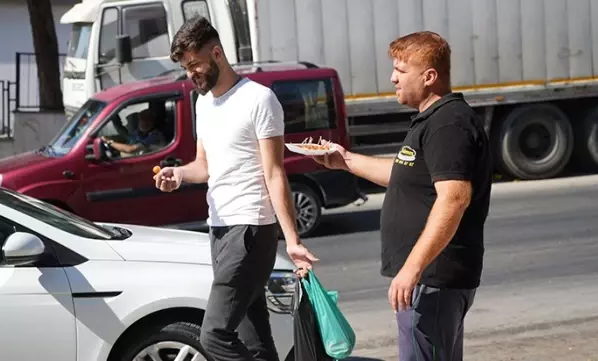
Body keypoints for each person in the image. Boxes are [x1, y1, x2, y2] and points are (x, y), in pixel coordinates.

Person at [313, 31, 493, 361]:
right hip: (428, 280)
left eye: (401, 70)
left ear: (429, 77)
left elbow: (454, 198)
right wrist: (344, 160)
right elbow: (402, 175)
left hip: (433, 279)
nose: (393, 78)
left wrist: (412, 268)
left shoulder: (448, 124)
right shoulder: (431, 121)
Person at [153, 17, 318, 361]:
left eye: (195, 64)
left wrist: (292, 239)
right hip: (219, 229)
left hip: (251, 229)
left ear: (217, 53)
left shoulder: (259, 99)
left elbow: (275, 173)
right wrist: (178, 174)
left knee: (214, 336)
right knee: (253, 341)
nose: (191, 74)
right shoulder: (203, 104)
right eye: (186, 68)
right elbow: (205, 165)